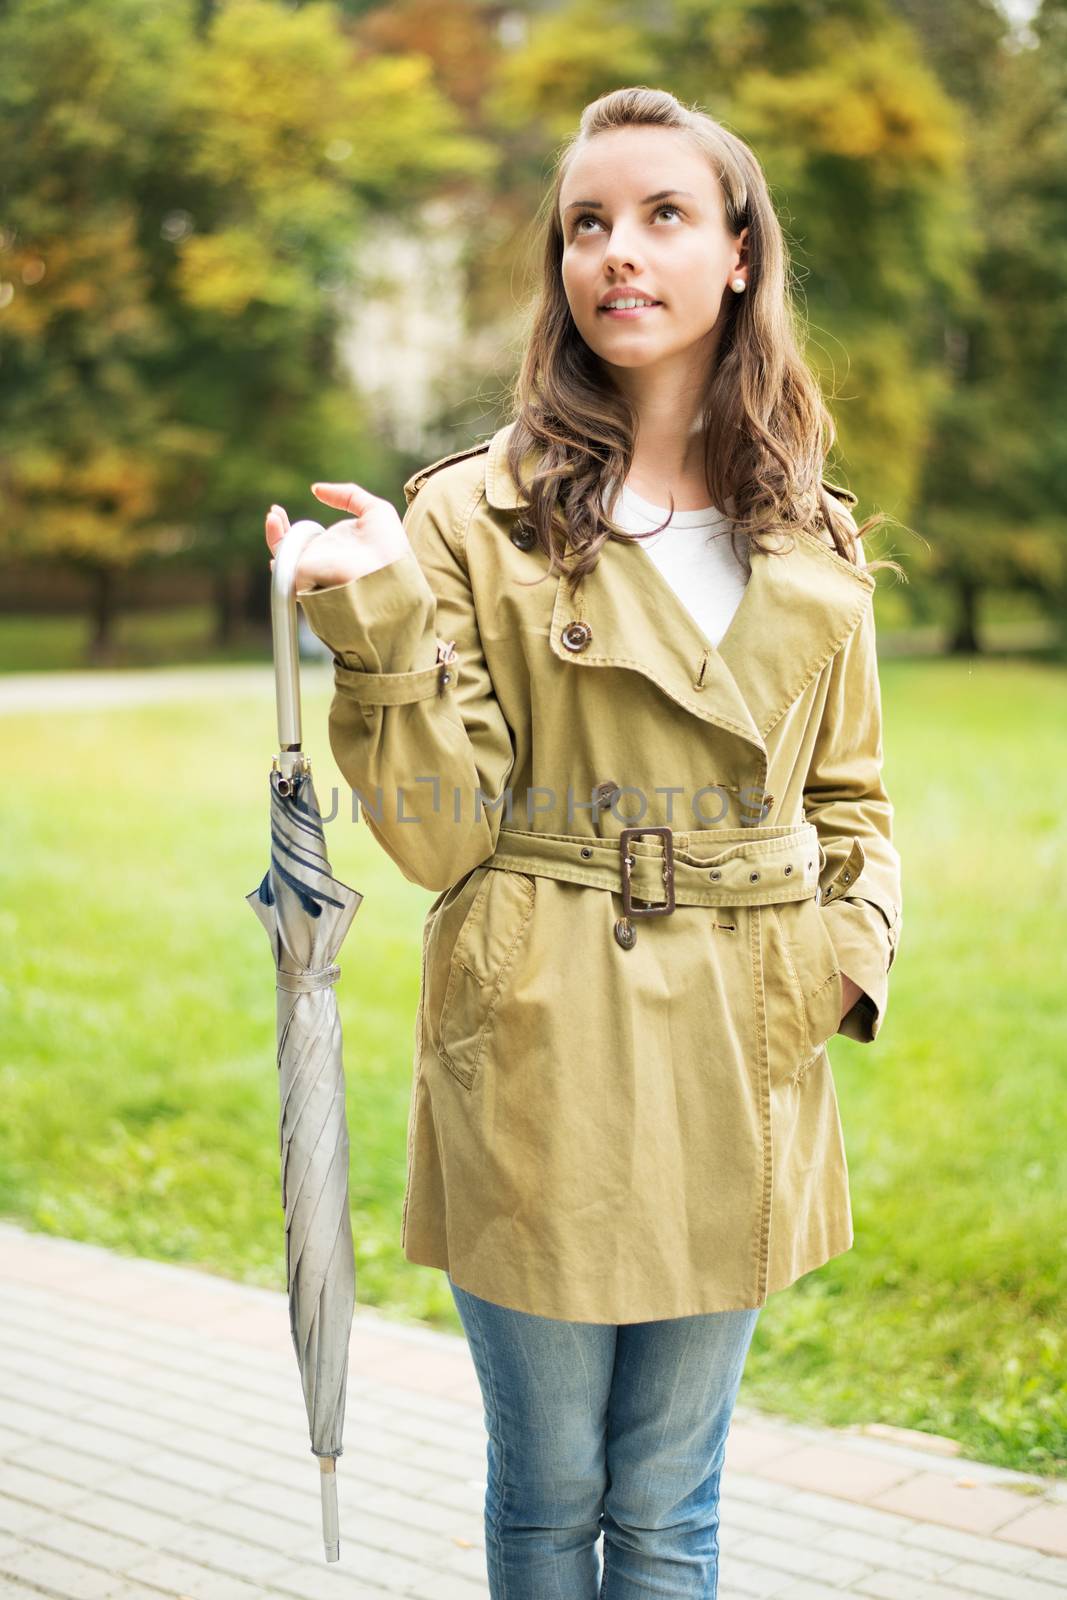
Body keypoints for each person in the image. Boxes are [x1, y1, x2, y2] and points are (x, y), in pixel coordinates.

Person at [265, 85, 903, 1600]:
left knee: (673, 1505)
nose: (618, 250)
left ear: (740, 255)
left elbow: (856, 799)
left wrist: (838, 960)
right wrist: (373, 625)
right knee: (553, 1498)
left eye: (664, 215)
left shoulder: (810, 531)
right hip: (541, 1030)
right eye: (586, 225)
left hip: (746, 1037)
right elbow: (433, 837)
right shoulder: (467, 520)